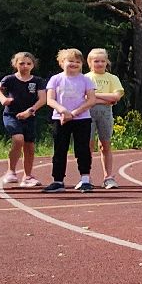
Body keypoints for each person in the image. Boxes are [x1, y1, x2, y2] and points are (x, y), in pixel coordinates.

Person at [44, 49, 97, 192]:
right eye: (70, 61)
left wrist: (73, 113)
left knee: (82, 149)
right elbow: (50, 100)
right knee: (60, 149)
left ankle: (85, 179)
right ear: (62, 62)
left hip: (82, 119)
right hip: (60, 119)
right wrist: (63, 111)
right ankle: (58, 181)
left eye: (78, 62)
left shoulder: (86, 80)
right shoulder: (55, 79)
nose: (74, 64)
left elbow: (91, 99)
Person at [0, 52, 44, 187]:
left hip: (29, 116)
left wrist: (30, 111)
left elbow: (43, 99)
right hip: (11, 115)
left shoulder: (37, 81)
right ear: (15, 64)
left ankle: (28, 176)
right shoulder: (10, 79)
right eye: (22, 63)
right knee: (18, 139)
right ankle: (11, 171)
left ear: (33, 65)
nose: (25, 66)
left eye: (28, 63)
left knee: (29, 146)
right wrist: (3, 99)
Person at [86, 48, 124, 189]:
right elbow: (83, 97)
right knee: (88, 146)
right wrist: (106, 99)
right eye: (96, 61)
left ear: (107, 62)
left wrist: (94, 96)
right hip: (87, 113)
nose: (100, 64)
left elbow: (116, 97)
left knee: (105, 145)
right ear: (90, 62)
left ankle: (108, 177)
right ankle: (86, 176)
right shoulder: (85, 78)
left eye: (103, 61)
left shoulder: (113, 78)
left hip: (106, 114)